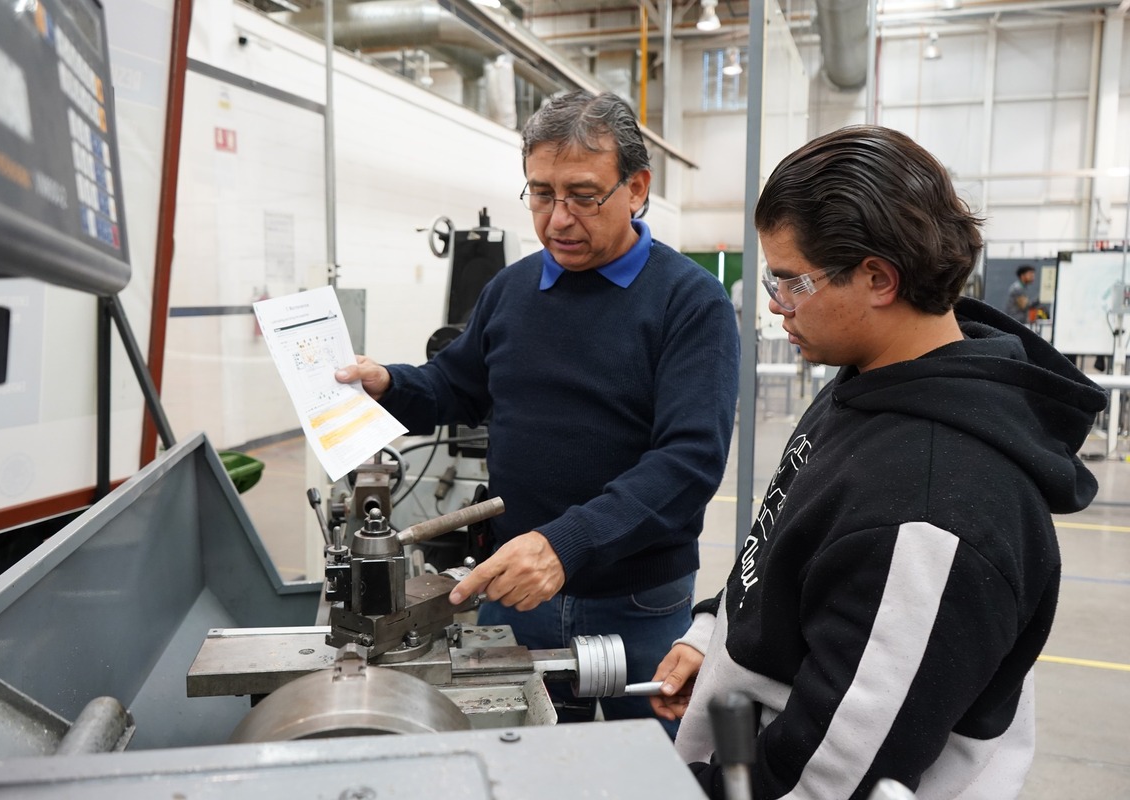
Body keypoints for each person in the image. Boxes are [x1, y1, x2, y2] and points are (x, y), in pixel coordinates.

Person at [649, 125, 1106, 798]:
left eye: (791, 282)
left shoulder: (935, 513)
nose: (775, 305)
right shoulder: (865, 382)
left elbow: (832, 775)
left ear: (877, 278)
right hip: (742, 745)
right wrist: (714, 635)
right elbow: (782, 541)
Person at [335, 90, 740, 732]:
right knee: (522, 757)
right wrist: (388, 384)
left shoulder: (690, 302)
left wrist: (564, 544)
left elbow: (688, 463)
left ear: (637, 188)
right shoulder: (511, 289)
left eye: (583, 195)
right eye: (542, 194)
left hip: (638, 600)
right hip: (515, 593)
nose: (558, 219)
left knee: (655, 760)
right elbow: (454, 386)